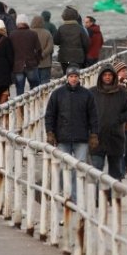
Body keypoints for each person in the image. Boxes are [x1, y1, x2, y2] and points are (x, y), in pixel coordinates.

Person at [44, 68, 98, 198]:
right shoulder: (57, 94)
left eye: (76, 76)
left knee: (78, 169)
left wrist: (94, 134)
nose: (74, 78)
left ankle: (74, 197)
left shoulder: (87, 94)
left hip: (81, 138)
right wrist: (50, 132)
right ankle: (67, 193)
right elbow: (50, 115)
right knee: (64, 168)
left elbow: (93, 116)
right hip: (63, 137)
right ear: (67, 77)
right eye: (71, 76)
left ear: (79, 78)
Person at [88, 65, 127, 181]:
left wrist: (118, 119)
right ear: (100, 77)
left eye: (110, 75)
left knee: (116, 174)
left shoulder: (122, 93)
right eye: (105, 75)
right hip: (97, 139)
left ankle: (113, 198)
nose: (107, 77)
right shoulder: (92, 93)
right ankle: (98, 199)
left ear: (114, 76)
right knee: (96, 172)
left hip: (116, 138)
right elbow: (83, 111)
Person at [9, 15, 43, 96]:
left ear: (17, 23)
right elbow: (39, 50)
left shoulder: (12, 35)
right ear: (27, 22)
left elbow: (10, 51)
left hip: (17, 66)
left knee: (20, 89)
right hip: (31, 64)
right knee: (34, 89)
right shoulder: (33, 34)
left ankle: (20, 108)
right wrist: (37, 61)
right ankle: (33, 107)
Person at [55, 6, 89, 74]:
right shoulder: (80, 28)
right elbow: (86, 43)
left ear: (64, 16)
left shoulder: (61, 28)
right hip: (78, 57)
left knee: (66, 75)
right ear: (75, 16)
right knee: (77, 75)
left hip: (64, 57)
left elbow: (56, 41)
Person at [30, 16, 54, 86]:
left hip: (32, 63)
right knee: (45, 83)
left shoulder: (30, 32)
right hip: (45, 62)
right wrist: (42, 54)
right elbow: (50, 47)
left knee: (34, 85)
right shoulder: (47, 33)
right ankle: (45, 97)